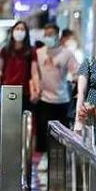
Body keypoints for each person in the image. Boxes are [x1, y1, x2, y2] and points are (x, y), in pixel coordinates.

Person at [32, 23, 79, 153]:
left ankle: (61, 163)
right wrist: (35, 89)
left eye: (51, 35)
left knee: (61, 137)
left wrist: (76, 79)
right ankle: (46, 161)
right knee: (44, 134)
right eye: (46, 35)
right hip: (44, 100)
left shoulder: (66, 53)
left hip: (62, 100)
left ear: (57, 35)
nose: (48, 37)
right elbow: (34, 73)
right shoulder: (39, 53)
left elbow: (76, 71)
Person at [0, 20, 38, 111]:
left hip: (24, 91)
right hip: (7, 89)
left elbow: (34, 73)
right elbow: (0, 69)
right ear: (13, 31)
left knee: (23, 119)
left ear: (26, 33)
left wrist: (36, 90)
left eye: (22, 29)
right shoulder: (5, 50)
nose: (19, 31)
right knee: (8, 117)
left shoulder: (31, 51)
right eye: (17, 29)